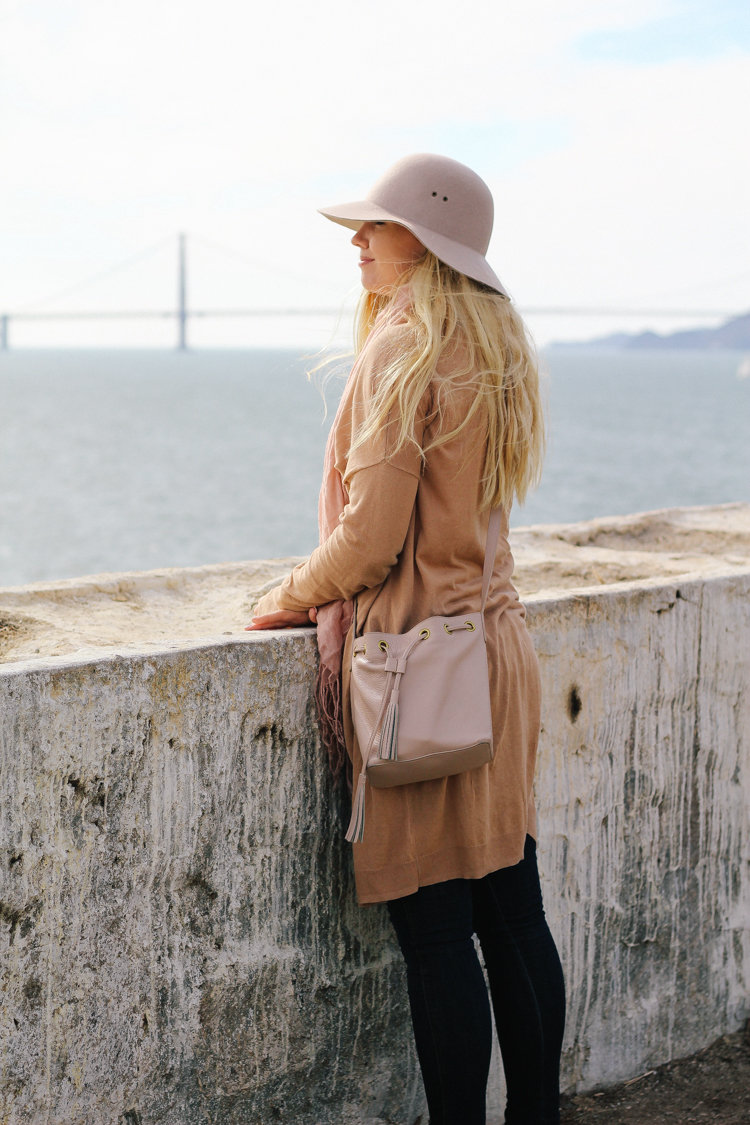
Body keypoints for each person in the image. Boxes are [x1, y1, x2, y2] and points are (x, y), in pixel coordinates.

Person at [246, 153, 565, 1125]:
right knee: (513, 911)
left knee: (438, 936)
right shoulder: (494, 346)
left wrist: (283, 594)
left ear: (419, 241)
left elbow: (371, 539)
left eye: (374, 228)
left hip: (423, 669)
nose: (357, 242)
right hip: (497, 655)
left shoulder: (402, 346)